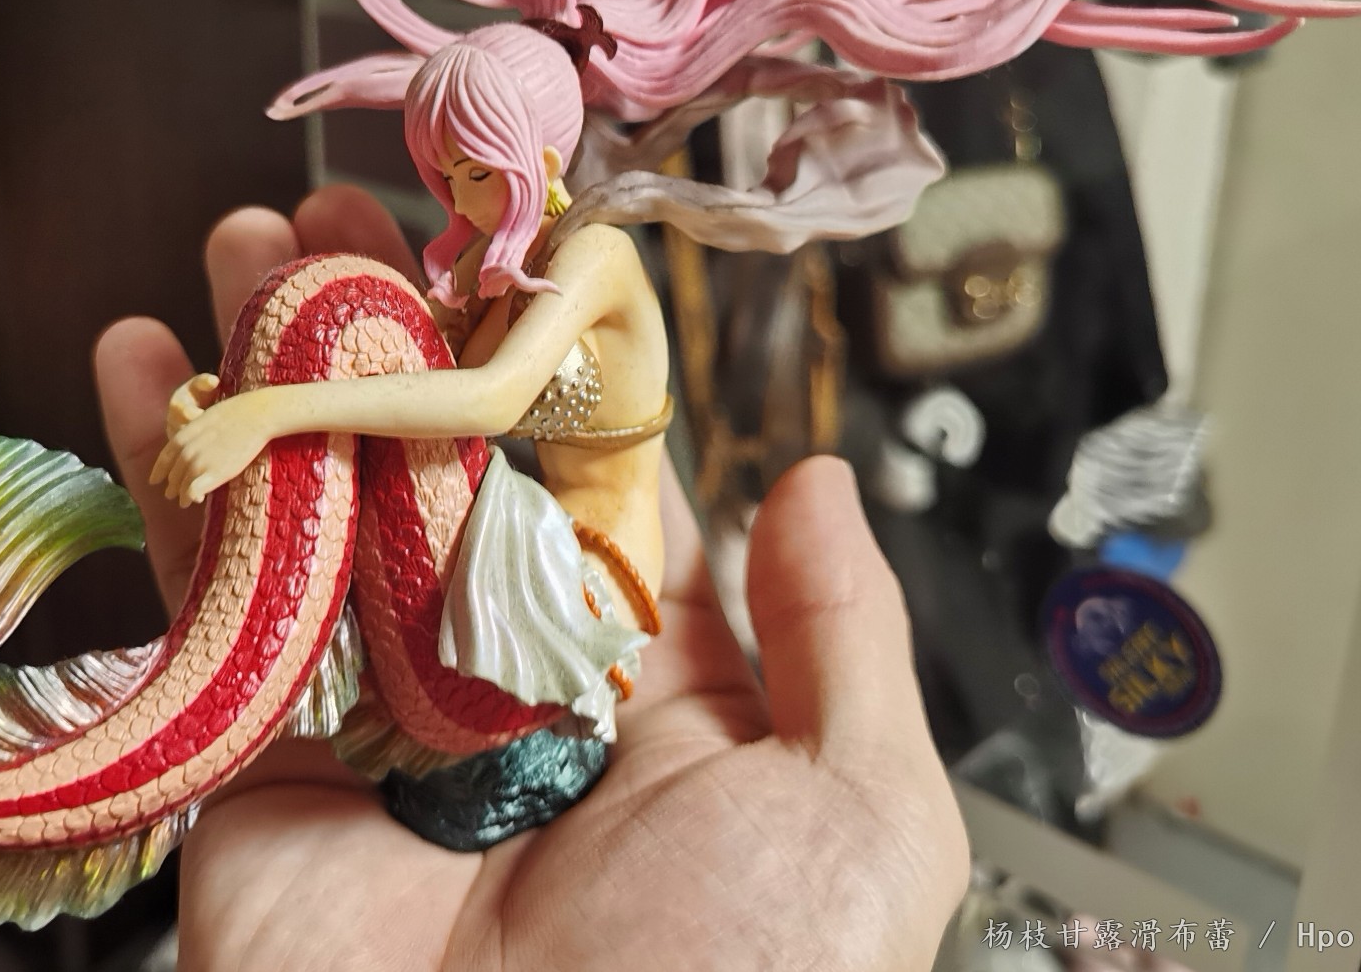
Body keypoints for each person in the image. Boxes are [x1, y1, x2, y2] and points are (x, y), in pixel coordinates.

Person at [96, 184, 972, 970]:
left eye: (471, 169)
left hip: (593, 572)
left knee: (393, 450)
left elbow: (485, 398)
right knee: (357, 420)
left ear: (539, 156)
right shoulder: (494, 257)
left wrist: (270, 410)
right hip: (521, 534)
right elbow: (407, 371)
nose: (453, 193)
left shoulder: (595, 256)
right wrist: (234, 399)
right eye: (441, 172)